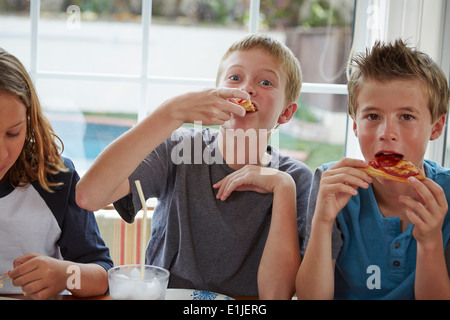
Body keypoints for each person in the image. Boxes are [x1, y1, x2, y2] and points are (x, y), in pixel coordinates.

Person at [76, 33, 312, 299]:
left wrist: (282, 188)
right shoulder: (179, 149)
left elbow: (277, 295)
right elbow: (88, 196)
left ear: (286, 113)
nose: (246, 88)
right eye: (235, 78)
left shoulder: (294, 179)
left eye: (265, 82)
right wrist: (170, 113)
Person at [296, 39, 450, 299]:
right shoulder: (331, 183)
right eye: (373, 116)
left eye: (407, 117)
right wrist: (322, 222)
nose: (387, 133)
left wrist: (430, 242)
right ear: (355, 125)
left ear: (436, 127)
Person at [0, 48, 113, 300]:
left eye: (13, 133)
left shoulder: (55, 179)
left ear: (29, 122)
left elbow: (103, 276)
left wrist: (65, 275)